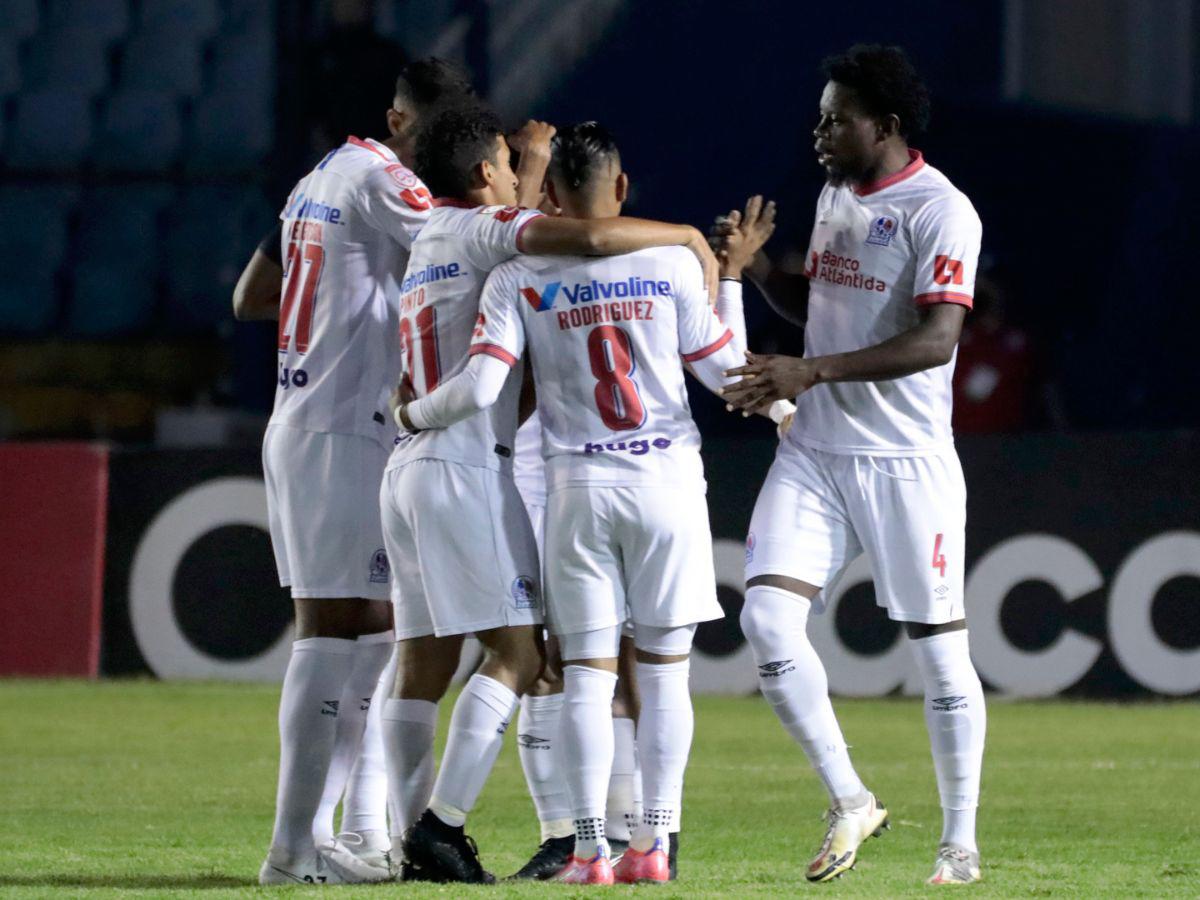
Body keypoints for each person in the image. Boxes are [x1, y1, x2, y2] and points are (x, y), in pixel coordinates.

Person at [391, 122, 780, 884]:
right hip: (666, 485)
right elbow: (727, 372)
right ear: (623, 191)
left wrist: (407, 414)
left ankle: (591, 850)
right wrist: (738, 299)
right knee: (665, 673)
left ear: (556, 200)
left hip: (575, 492)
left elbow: (482, 387)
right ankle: (654, 844)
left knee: (585, 679)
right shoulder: (669, 261)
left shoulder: (519, 275)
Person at [715, 44, 986, 886]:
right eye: (821, 115)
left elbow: (939, 336)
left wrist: (811, 371)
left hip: (905, 462)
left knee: (938, 652)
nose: (821, 131)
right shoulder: (835, 193)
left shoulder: (942, 212)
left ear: (888, 127)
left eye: (839, 119)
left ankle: (959, 843)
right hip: (818, 451)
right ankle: (850, 799)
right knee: (764, 621)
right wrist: (760, 271)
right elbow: (822, 304)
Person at [238, 60, 473, 886]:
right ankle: (289, 849)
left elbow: (251, 293)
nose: (440, 157)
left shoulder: (319, 178)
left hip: (314, 418)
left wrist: (349, 299)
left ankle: (348, 832)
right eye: (437, 138)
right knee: (333, 630)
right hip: (338, 430)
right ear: (402, 123)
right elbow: (463, 243)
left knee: (371, 634)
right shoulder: (381, 178)